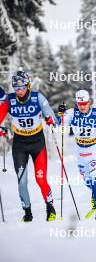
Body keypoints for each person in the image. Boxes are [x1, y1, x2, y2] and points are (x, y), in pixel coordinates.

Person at [0, 69, 57, 222]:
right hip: (19, 144)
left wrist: (51, 120)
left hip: (37, 143)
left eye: (22, 87)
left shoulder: (38, 97)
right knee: (22, 182)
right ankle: (27, 212)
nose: (19, 91)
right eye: (16, 88)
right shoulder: (10, 100)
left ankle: (50, 207)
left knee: (40, 179)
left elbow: (51, 115)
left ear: (28, 85)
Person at [57, 90, 96, 220]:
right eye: (80, 104)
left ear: (89, 102)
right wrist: (60, 114)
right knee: (87, 181)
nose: (82, 106)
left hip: (94, 150)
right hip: (80, 152)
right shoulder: (71, 113)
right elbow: (58, 123)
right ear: (77, 103)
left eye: (84, 103)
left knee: (93, 179)